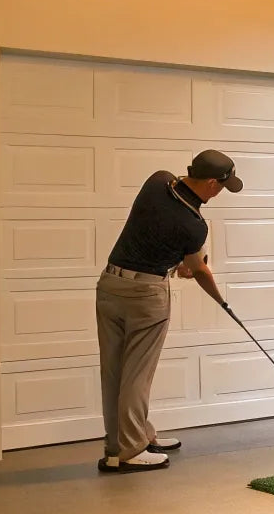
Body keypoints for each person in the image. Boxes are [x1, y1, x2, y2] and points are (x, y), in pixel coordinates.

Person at [95, 150, 241, 473]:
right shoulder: (193, 224)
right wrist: (222, 301)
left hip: (109, 285)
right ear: (213, 184)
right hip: (146, 295)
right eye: (222, 187)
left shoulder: (157, 181)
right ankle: (132, 450)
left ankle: (120, 446)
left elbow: (154, 228)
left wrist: (179, 261)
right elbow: (198, 270)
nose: (220, 194)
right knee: (137, 374)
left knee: (114, 372)